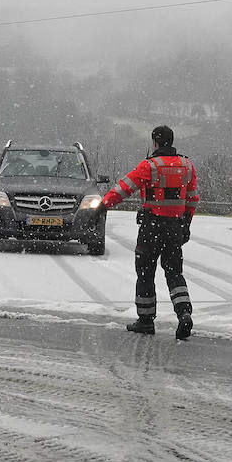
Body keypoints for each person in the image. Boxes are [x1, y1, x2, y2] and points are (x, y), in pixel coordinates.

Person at [94, 125, 200, 339]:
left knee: (145, 272)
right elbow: (192, 199)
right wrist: (186, 223)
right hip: (174, 227)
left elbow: (124, 188)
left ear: (155, 143)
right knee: (174, 272)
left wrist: (103, 205)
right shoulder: (186, 166)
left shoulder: (149, 166)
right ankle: (184, 313)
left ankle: (145, 320)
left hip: (151, 226)